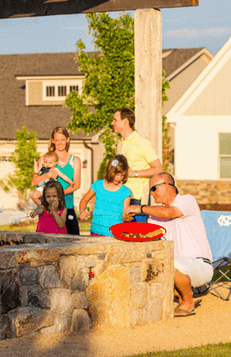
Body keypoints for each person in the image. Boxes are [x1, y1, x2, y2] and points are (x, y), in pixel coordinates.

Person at [124, 172, 213, 317]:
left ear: (167, 185)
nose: (152, 194)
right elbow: (146, 234)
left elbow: (170, 213)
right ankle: (177, 295)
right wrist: (130, 221)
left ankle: (188, 301)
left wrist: (140, 208)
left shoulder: (187, 200)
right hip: (176, 266)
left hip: (200, 266)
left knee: (171, 264)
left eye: (153, 189)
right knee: (147, 266)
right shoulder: (155, 216)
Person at [31, 127, 81, 235]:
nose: (60, 143)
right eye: (57, 140)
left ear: (67, 139)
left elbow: (76, 185)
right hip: (48, 209)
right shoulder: (46, 159)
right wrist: (48, 175)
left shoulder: (75, 160)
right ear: (53, 140)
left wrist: (58, 195)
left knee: (74, 242)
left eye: (63, 139)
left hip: (67, 206)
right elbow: (34, 181)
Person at [112, 108, 162, 204]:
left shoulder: (141, 142)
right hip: (122, 195)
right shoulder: (120, 144)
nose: (112, 123)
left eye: (115, 120)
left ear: (125, 122)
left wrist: (133, 173)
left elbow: (158, 169)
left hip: (137, 197)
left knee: (137, 220)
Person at [78, 155, 132, 237]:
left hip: (115, 234)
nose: (120, 178)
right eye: (117, 175)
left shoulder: (125, 191)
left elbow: (125, 213)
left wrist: (127, 217)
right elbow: (84, 200)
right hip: (96, 231)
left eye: (122, 175)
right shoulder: (98, 185)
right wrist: (82, 211)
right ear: (110, 171)